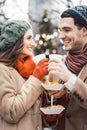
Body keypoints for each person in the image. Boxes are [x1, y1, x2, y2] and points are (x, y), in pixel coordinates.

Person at [0, 19, 49, 130]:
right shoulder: (2, 70)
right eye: (29, 38)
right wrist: (36, 78)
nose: (33, 44)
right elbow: (11, 112)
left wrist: (48, 119)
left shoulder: (28, 69)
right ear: (15, 41)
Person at [48, 5, 87, 130]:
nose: (61, 36)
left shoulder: (63, 71)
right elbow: (50, 108)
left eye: (67, 30)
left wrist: (70, 79)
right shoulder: (59, 64)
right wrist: (50, 116)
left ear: (84, 31)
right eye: (60, 30)